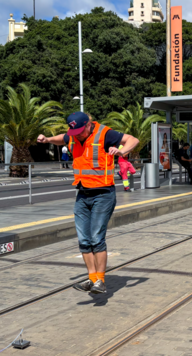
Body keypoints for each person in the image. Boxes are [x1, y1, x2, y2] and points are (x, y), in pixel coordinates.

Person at [37, 112, 139, 294]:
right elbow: (63, 138)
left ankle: (101, 280)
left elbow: (133, 139)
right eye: (73, 131)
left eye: (79, 131)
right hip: (82, 194)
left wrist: (122, 151)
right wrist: (48, 139)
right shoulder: (73, 134)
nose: (76, 135)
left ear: (88, 125)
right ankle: (92, 279)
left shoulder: (105, 134)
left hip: (103, 194)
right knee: (84, 240)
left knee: (96, 238)